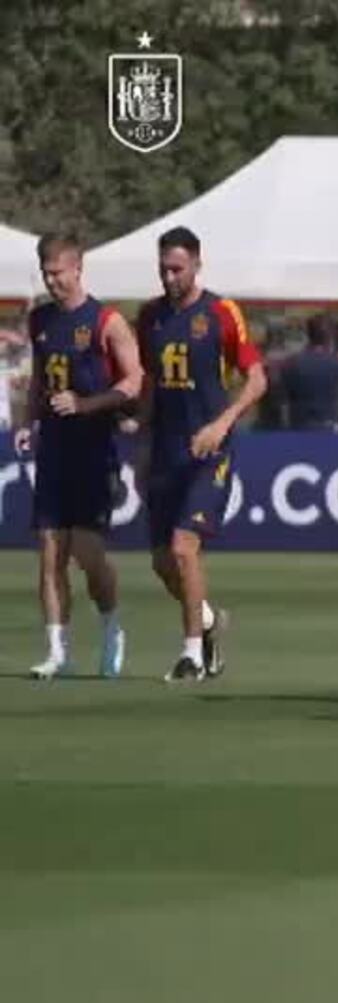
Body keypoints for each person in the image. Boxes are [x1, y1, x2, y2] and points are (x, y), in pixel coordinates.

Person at [133, 227, 267, 682]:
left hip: (210, 451)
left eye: (177, 268)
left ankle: (192, 654)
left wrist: (221, 424)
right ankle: (207, 622)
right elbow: (151, 384)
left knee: (183, 548)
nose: (170, 277)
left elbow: (256, 380)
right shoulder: (149, 316)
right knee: (162, 562)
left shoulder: (221, 313)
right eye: (163, 268)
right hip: (165, 449)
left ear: (196, 264)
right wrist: (143, 444)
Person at [18, 233, 143, 679]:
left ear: (77, 268)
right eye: (46, 273)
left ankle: (111, 625)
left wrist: (88, 404)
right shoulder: (41, 321)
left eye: (58, 273)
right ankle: (57, 649)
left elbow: (134, 381)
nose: (52, 281)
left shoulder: (106, 321)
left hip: (94, 448)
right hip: (53, 448)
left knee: (88, 553)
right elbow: (38, 381)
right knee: (50, 551)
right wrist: (26, 423)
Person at [280, 313, 338, 431]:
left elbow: (283, 391)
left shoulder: (292, 363)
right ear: (329, 336)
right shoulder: (337, 363)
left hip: (300, 426)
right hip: (330, 426)